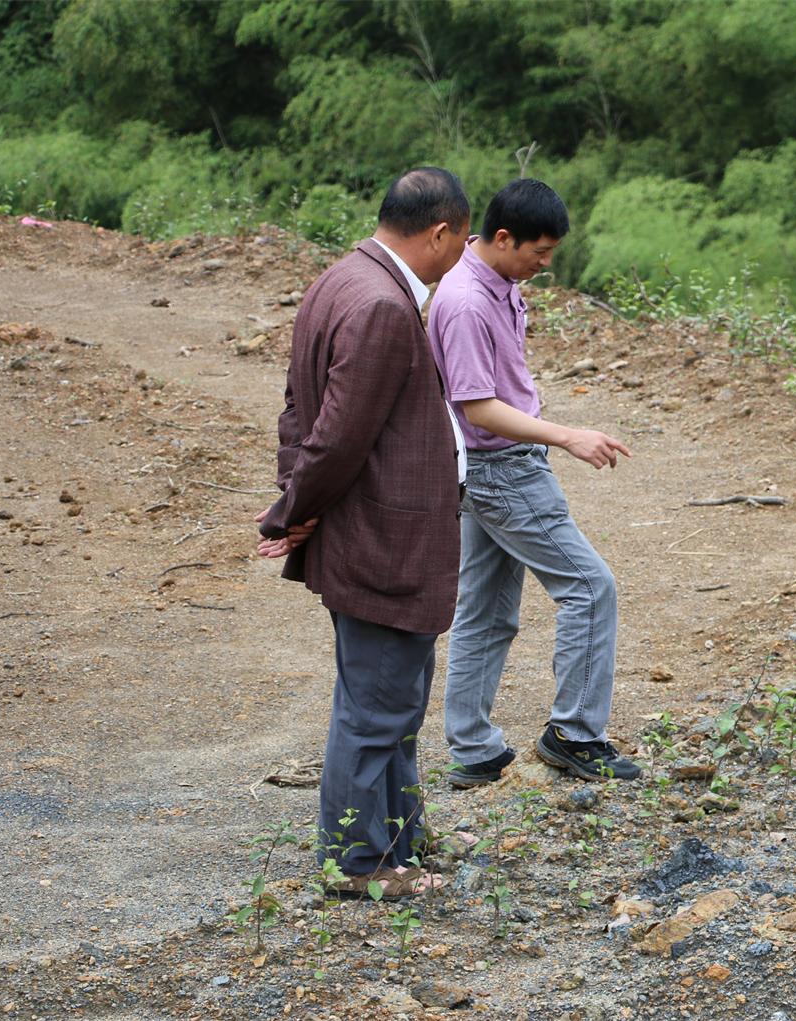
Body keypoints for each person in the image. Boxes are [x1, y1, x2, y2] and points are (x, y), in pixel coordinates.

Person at [256, 167, 471, 897]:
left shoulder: (339, 279)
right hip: (385, 538)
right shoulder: (382, 304)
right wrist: (294, 508)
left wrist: (301, 497)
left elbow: (297, 412)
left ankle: (398, 842)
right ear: (439, 232)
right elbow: (340, 436)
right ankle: (357, 862)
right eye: (462, 241)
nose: (461, 257)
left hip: (364, 530)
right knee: (377, 709)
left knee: (390, 701)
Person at [426, 178, 641, 785]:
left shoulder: (496, 281)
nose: (544, 266)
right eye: (539, 253)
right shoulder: (467, 301)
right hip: (500, 469)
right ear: (502, 238)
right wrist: (566, 435)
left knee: (486, 612)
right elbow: (478, 406)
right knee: (590, 589)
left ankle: (472, 749)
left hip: (485, 468)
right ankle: (574, 734)